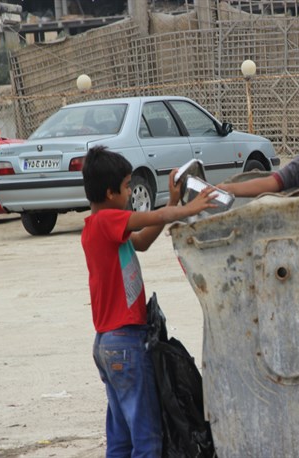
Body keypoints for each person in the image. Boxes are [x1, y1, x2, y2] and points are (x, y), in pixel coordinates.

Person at [80, 145, 216, 457]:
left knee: (121, 438)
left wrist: (171, 201)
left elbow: (142, 241)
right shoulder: (106, 222)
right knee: (147, 439)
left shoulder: (99, 229)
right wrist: (189, 208)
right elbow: (151, 217)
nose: (130, 192)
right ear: (112, 192)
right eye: (128, 186)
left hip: (107, 344)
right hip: (125, 342)